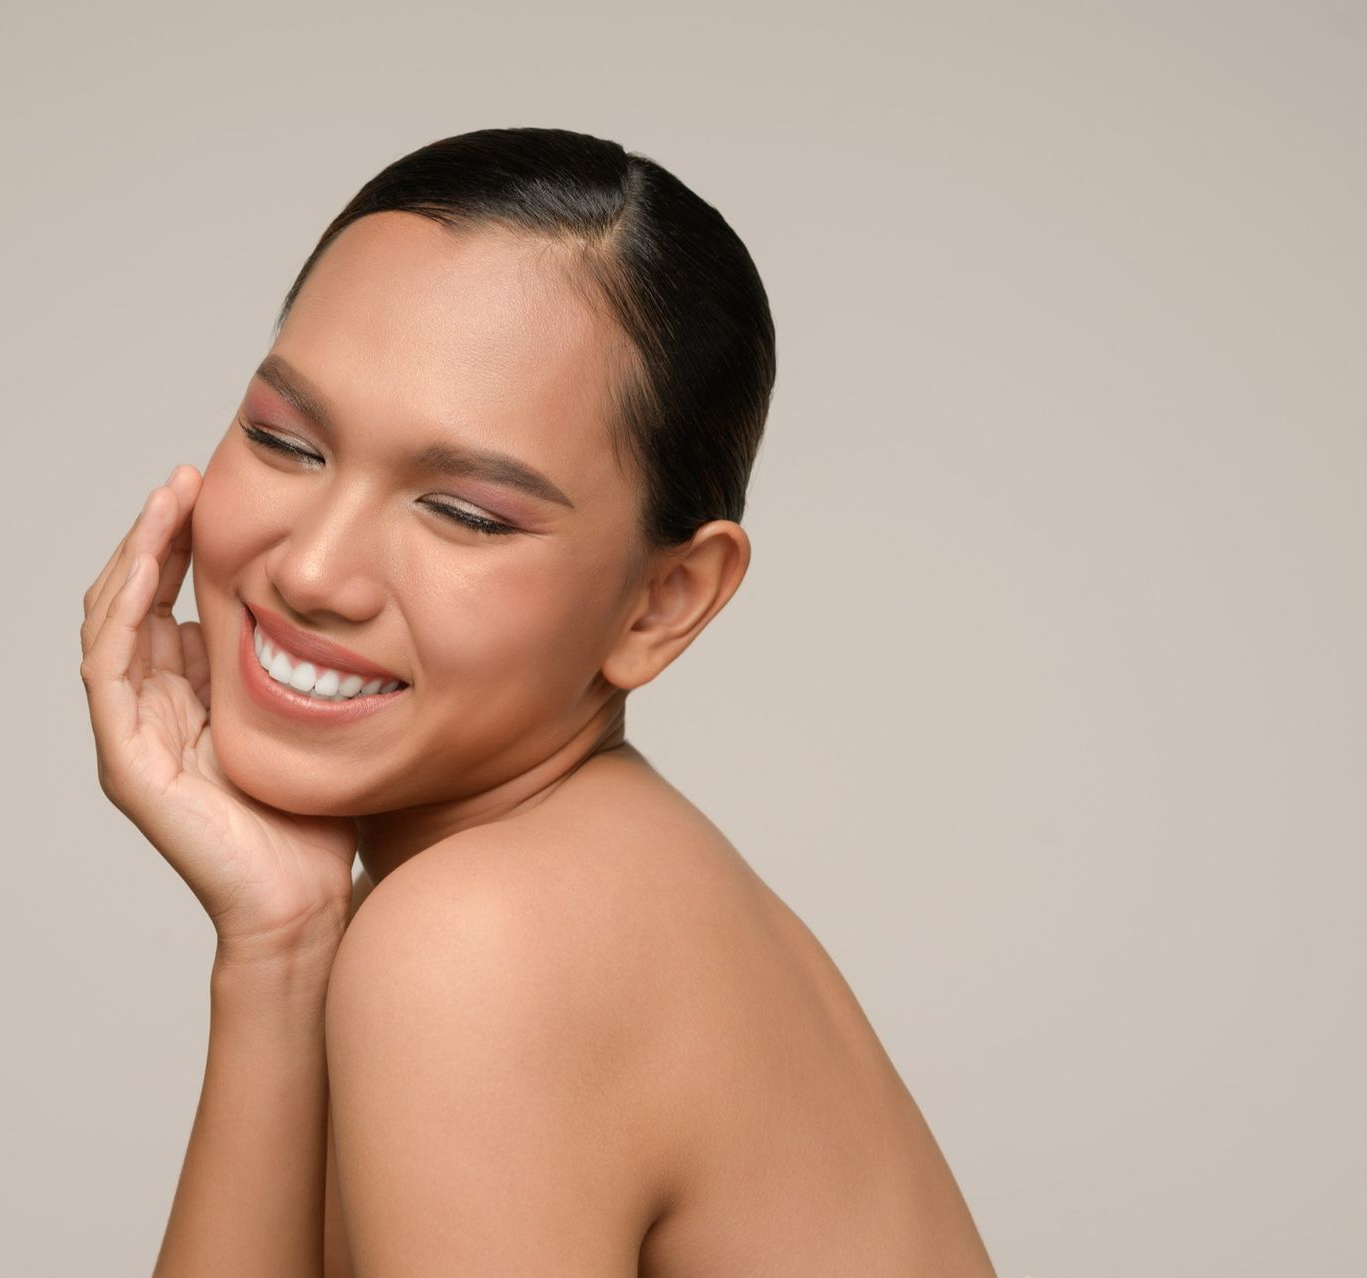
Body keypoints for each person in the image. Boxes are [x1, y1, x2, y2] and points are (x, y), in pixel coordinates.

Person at [79, 126, 997, 1277]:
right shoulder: (589, 882)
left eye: (463, 513)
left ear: (662, 602)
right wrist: (277, 954)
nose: (312, 571)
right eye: (285, 441)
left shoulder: (488, 941)